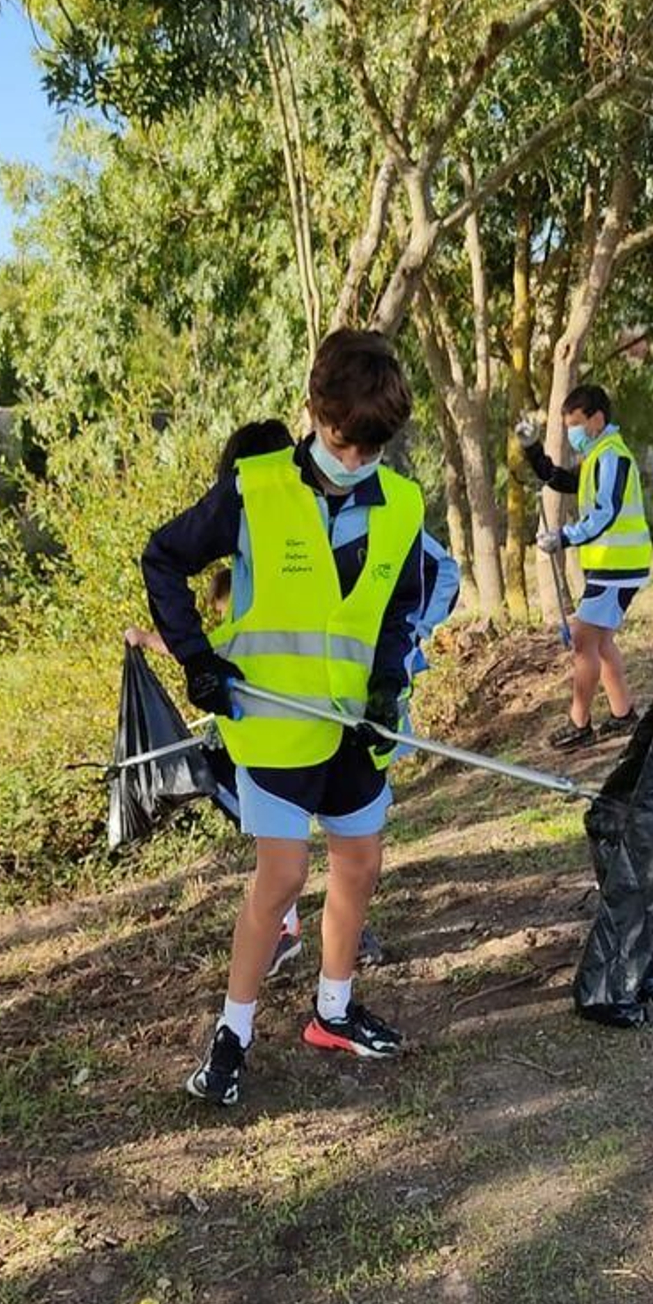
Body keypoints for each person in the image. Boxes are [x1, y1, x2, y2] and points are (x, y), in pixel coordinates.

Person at [140, 331, 459, 1108]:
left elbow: (398, 605)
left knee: (360, 865)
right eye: (347, 443)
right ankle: (233, 1033)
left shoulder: (404, 502)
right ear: (315, 412)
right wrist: (196, 659)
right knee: (281, 877)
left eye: (374, 448)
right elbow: (163, 558)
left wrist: (387, 683)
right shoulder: (253, 490)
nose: (357, 460)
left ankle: (334, 1010)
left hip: (357, 728)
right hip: (276, 726)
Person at [516, 383, 648, 748]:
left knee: (582, 643)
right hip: (612, 567)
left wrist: (565, 536)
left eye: (575, 423)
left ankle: (579, 725)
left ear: (597, 419)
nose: (571, 431)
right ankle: (623, 715)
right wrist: (531, 451)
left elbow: (606, 512)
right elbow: (558, 478)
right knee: (602, 644)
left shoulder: (612, 458)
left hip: (616, 568)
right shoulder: (597, 456)